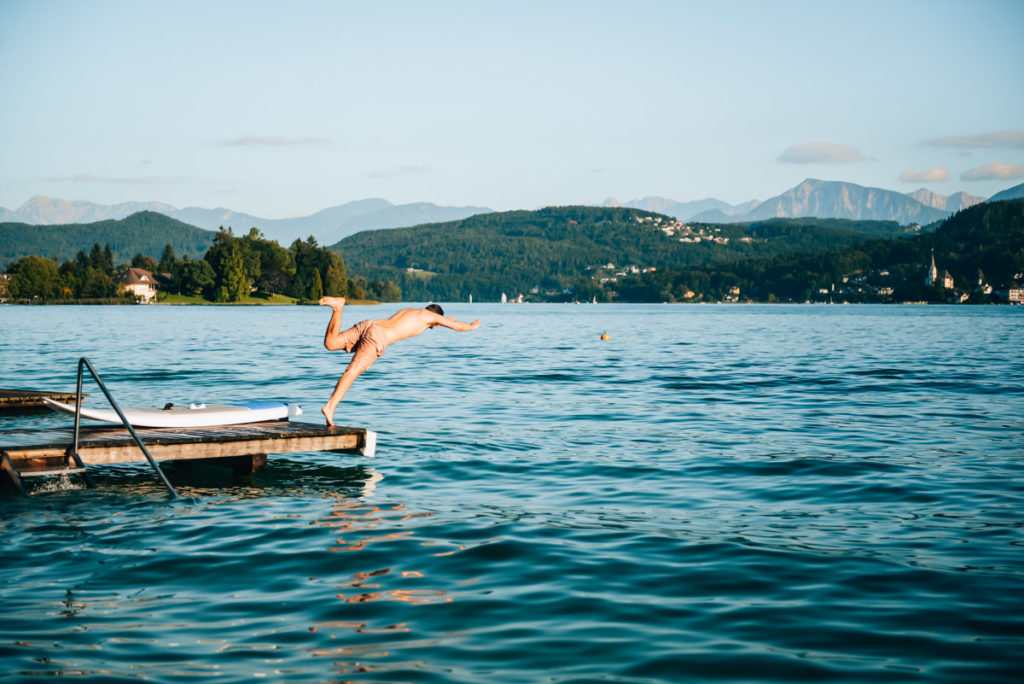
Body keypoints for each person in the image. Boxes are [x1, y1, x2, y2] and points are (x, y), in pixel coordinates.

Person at [318, 296, 480, 426]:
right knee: (352, 372)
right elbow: (458, 326)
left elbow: (428, 322)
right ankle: (330, 407)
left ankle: (338, 307)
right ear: (436, 317)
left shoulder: (410, 311)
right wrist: (471, 326)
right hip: (377, 337)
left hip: (370, 325)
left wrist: (443, 321)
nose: (432, 327)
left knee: (331, 343)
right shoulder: (429, 317)